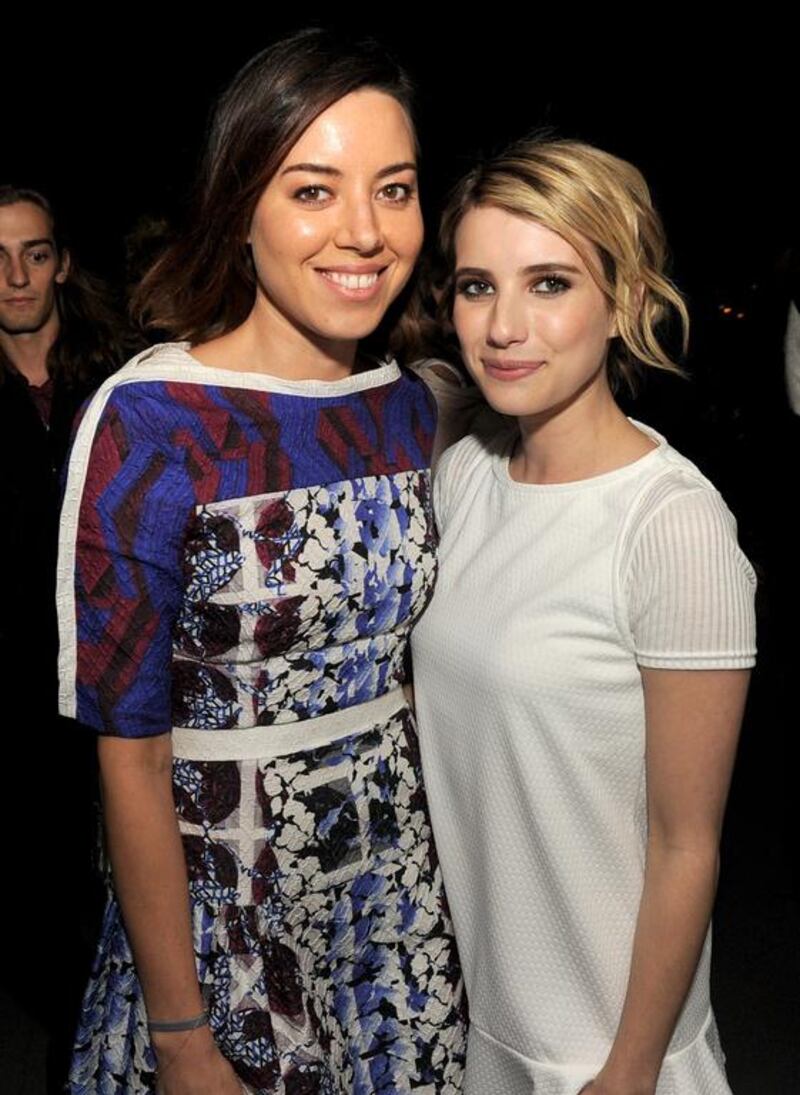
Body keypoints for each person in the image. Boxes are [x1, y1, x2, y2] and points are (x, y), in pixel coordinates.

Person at [57, 29, 465, 1095]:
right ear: (240, 204)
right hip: (226, 907)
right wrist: (183, 1034)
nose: (366, 233)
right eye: (313, 191)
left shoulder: (406, 408)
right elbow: (131, 759)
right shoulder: (151, 421)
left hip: (393, 903)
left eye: (394, 188)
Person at [411, 138, 756, 1094]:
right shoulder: (465, 474)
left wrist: (629, 1069)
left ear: (625, 302)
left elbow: (688, 843)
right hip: (486, 1024)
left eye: (550, 282)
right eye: (477, 286)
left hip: (604, 1049)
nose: (504, 326)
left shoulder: (672, 526)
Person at [0, 185, 128, 1092]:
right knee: (42, 904)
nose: (16, 276)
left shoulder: (119, 378)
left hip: (117, 679)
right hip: (15, 702)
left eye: (35, 253)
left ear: (63, 262)